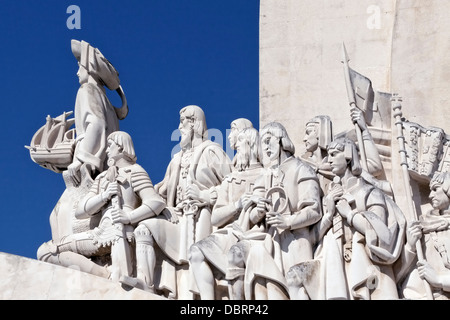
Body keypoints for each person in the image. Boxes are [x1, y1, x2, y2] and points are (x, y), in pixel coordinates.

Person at [131, 105, 233, 298]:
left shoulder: (212, 151)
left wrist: (205, 195)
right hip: (177, 218)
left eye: (182, 122)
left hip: (202, 217)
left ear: (194, 123)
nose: (179, 127)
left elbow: (234, 184)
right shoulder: (176, 159)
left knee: (196, 258)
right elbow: (160, 191)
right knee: (143, 229)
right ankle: (146, 285)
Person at [37, 131, 166, 282]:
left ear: (121, 147)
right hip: (101, 233)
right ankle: (104, 275)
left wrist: (129, 217)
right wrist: (103, 196)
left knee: (46, 251)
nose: (106, 150)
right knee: (46, 251)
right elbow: (80, 211)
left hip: (122, 231)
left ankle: (111, 276)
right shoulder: (102, 177)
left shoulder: (135, 171)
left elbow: (156, 202)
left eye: (110, 145)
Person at [313, 137, 405, 299]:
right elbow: (315, 238)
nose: (329, 160)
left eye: (334, 154)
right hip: (338, 270)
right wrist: (328, 213)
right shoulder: (330, 196)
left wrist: (350, 214)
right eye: (329, 155)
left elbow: (380, 233)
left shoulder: (370, 192)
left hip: (370, 271)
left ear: (348, 156)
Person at [242, 122, 323, 300]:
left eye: (269, 140)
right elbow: (252, 217)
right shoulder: (266, 176)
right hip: (272, 243)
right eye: (263, 143)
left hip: (296, 241)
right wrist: (259, 211)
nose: (266, 147)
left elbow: (314, 209)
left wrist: (288, 221)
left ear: (281, 140)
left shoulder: (301, 169)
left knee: (298, 289)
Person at [189, 125, 264, 300]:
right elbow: (216, 217)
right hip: (230, 232)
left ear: (251, 145)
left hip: (256, 233)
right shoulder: (230, 180)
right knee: (195, 251)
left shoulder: (267, 174)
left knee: (235, 255)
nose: (236, 148)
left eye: (240, 143)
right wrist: (237, 205)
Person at [67, 39, 129, 187]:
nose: (77, 72)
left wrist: (81, 160)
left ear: (89, 69)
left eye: (79, 67)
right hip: (107, 167)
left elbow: (96, 124)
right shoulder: (108, 104)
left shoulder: (87, 89)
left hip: (89, 165)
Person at [398, 171, 450, 300]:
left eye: (435, 189)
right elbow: (398, 274)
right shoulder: (425, 226)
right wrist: (410, 246)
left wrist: (439, 280)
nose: (431, 195)